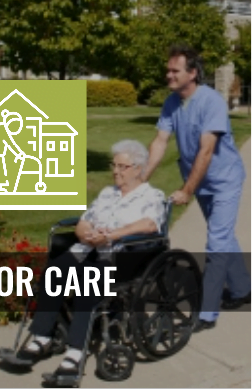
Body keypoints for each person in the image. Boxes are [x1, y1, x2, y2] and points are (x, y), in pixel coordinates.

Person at [13, 140, 166, 380]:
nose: (115, 171)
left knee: (87, 283)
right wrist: (85, 232)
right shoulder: (107, 193)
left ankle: (74, 354)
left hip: (119, 256)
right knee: (54, 272)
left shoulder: (151, 196)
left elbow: (149, 224)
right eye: (113, 165)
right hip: (86, 249)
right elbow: (85, 219)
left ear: (138, 169)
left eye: (123, 167)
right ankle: (42, 337)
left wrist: (112, 235)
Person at [144, 44, 251, 333]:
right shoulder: (171, 103)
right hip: (201, 180)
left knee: (216, 241)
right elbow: (160, 142)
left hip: (224, 179)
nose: (168, 75)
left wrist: (187, 190)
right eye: (168, 69)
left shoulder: (211, 101)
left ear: (192, 73)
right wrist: (140, 178)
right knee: (223, 234)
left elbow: (206, 151)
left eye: (174, 70)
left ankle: (206, 314)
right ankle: (243, 289)